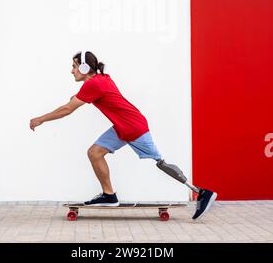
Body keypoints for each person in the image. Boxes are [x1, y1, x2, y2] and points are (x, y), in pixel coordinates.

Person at [30, 50, 217, 220]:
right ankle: (109, 196)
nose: (72, 71)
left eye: (74, 66)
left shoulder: (93, 84)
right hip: (123, 126)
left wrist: (41, 119)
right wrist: (76, 97)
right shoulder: (102, 78)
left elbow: (67, 109)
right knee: (94, 152)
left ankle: (201, 192)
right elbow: (89, 96)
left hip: (133, 127)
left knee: (160, 162)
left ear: (84, 67)